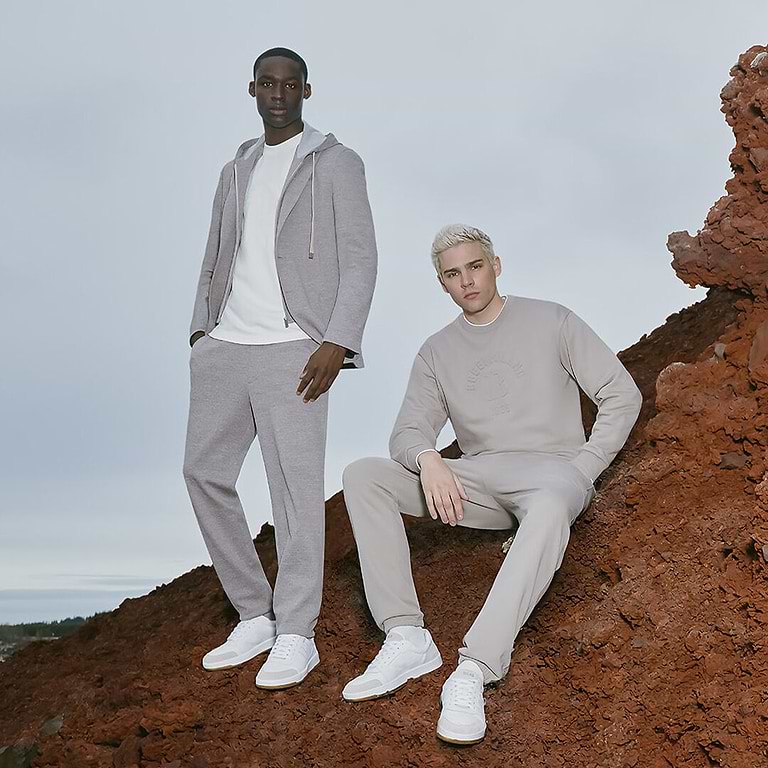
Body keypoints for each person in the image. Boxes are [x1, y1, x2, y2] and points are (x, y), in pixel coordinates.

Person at [341, 224, 641, 743]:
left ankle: (475, 668)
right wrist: (429, 458)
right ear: (442, 283)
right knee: (363, 475)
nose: (467, 281)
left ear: (495, 266)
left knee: (550, 505)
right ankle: (407, 636)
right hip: (476, 482)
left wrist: (583, 468)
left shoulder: (552, 319)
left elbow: (621, 394)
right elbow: (407, 431)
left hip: (553, 474)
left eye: (475, 267)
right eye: (452, 274)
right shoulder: (436, 351)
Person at [183, 47, 377, 690]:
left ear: (305, 91)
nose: (277, 93)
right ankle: (253, 614)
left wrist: (337, 340)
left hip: (296, 347)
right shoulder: (234, 169)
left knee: (293, 490)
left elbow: (361, 258)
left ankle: (297, 632)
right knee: (203, 473)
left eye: (289, 84)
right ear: (252, 89)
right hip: (226, 345)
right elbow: (214, 253)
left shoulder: (337, 163)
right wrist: (200, 332)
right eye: (267, 83)